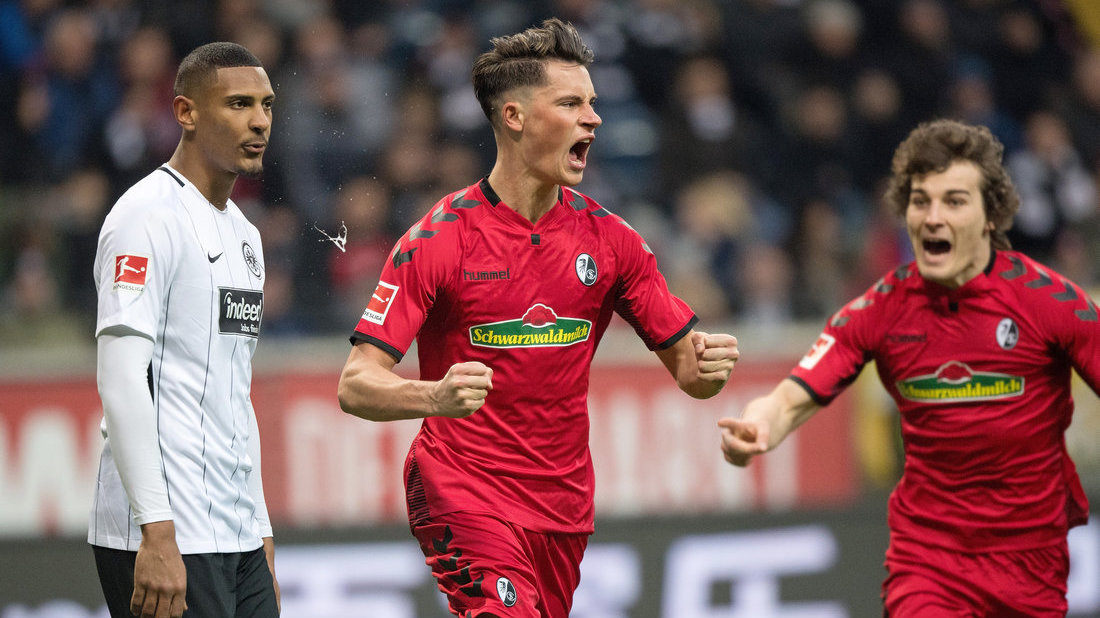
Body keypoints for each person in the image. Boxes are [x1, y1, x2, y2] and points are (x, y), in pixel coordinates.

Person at [337, 18, 739, 618]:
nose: (593, 119)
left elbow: (691, 374)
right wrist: (434, 397)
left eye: (592, 103)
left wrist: (709, 366)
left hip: (562, 508)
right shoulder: (438, 241)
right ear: (515, 117)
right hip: (461, 486)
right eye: (571, 104)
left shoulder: (612, 242)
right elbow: (355, 383)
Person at [718, 119, 1098, 617]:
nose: (933, 217)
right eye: (921, 201)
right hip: (928, 563)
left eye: (954, 201)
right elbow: (791, 397)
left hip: (1031, 568)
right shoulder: (881, 309)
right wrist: (759, 425)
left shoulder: (1051, 303)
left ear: (991, 215)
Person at [89, 42, 279, 618]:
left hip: (237, 534)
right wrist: (156, 530)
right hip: (163, 533)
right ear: (185, 113)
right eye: (239, 104)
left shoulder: (246, 235)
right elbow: (121, 381)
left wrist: (260, 528)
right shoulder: (144, 218)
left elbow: (235, 393)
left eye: (267, 105)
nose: (259, 121)